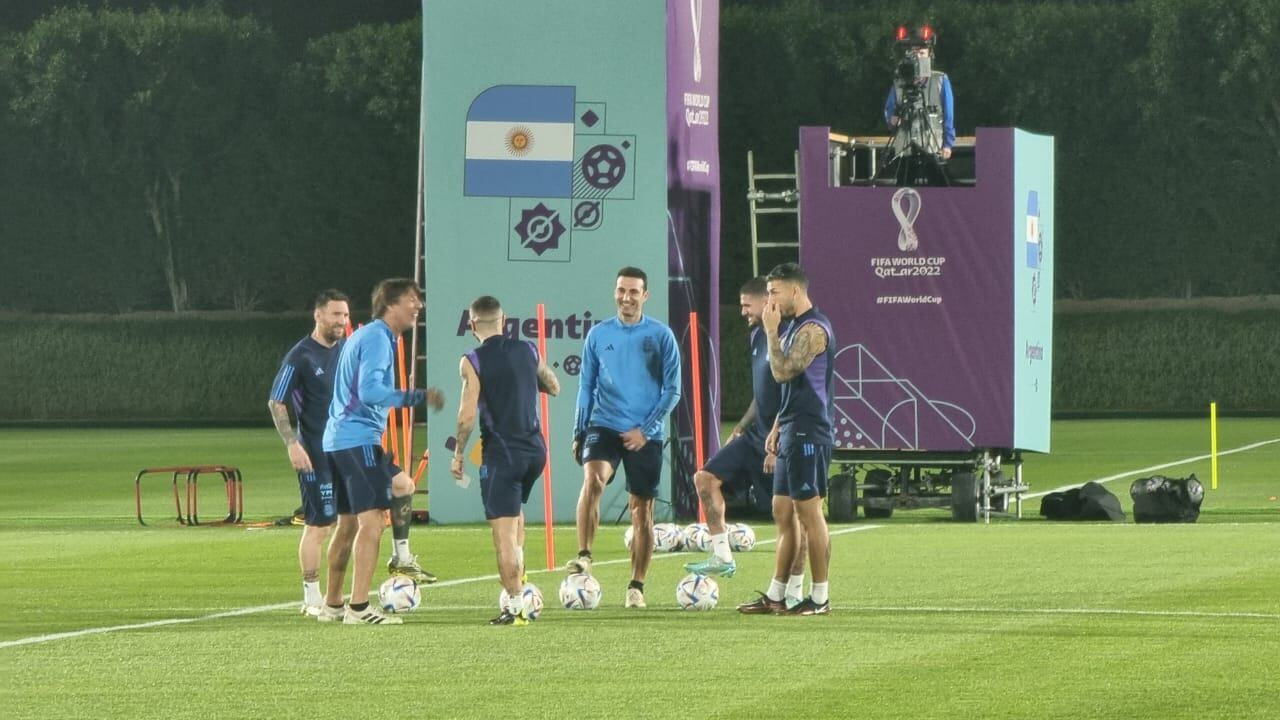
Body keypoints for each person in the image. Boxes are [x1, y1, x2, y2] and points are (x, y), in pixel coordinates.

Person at [319, 278, 443, 625]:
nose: (417, 306)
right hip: (357, 441)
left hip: (338, 440)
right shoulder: (377, 338)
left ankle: (332, 605)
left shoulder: (365, 336)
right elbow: (371, 391)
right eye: (410, 300)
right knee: (371, 521)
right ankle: (358, 608)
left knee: (360, 516)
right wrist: (417, 396)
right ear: (389, 304)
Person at [684, 278, 808, 607]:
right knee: (705, 479)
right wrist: (741, 425)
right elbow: (762, 394)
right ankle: (722, 555)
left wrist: (777, 438)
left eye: (745, 305)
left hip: (782, 440)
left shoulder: (788, 338)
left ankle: (795, 589)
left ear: (765, 303)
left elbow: (792, 392)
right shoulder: (756, 336)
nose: (742, 312)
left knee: (794, 516)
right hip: (754, 437)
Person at [568, 266, 681, 609]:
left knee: (641, 510)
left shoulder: (661, 336)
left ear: (645, 296)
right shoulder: (598, 335)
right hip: (604, 423)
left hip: (646, 433)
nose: (626, 297)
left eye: (633, 292)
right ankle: (584, 555)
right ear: (614, 292)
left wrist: (645, 431)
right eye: (621, 290)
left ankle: (636, 586)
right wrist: (579, 429)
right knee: (594, 478)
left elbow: (672, 390)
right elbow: (585, 386)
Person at [450, 295, 560, 625]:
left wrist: (458, 455)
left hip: (502, 456)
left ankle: (515, 606)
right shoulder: (528, 350)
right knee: (516, 520)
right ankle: (521, 583)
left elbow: (466, 415)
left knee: (503, 537)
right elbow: (553, 385)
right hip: (535, 453)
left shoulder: (472, 360)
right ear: (505, 320)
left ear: (471, 325)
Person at [740, 262, 835, 616]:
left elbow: (782, 372)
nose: (769, 301)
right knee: (782, 509)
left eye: (774, 293)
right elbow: (794, 388)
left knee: (810, 514)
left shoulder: (813, 329)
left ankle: (821, 597)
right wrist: (778, 426)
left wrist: (769, 332)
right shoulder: (794, 327)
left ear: (794, 291)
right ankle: (777, 594)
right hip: (792, 428)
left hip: (811, 431)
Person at [267, 289, 350, 617]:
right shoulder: (300, 356)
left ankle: (334, 595)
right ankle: (311, 596)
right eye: (335, 315)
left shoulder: (345, 351)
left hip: (345, 452)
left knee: (347, 522)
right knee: (319, 524)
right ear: (318, 315)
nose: (342, 321)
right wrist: (292, 443)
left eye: (345, 315)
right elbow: (276, 401)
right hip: (314, 453)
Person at [884, 25, 955, 166]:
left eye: (921, 53)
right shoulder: (898, 83)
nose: (917, 57)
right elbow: (889, 111)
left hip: (932, 149)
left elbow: (949, 115)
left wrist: (948, 144)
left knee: (937, 184)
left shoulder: (940, 80)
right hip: (905, 151)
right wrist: (892, 120)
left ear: (929, 55)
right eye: (913, 53)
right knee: (904, 187)